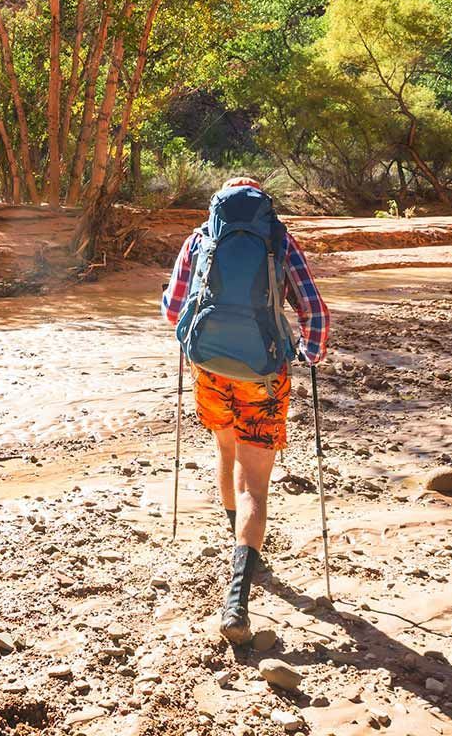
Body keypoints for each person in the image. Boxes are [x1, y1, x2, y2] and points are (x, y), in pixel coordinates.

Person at [161, 176, 330, 643]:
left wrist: (197, 340)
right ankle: (237, 596)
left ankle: (241, 544)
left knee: (224, 449)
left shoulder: (201, 239)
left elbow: (173, 309)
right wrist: (307, 354)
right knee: (255, 482)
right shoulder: (279, 241)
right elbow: (315, 312)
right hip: (263, 372)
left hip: (210, 367)